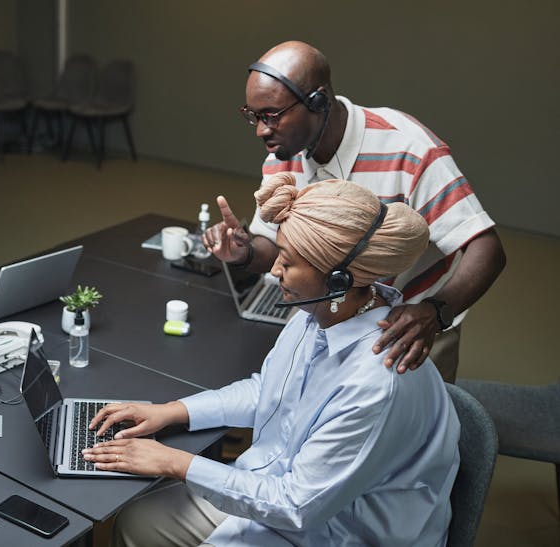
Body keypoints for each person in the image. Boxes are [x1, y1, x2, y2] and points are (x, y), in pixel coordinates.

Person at [85, 173, 459, 547]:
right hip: (280, 490)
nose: (274, 270)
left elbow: (297, 506)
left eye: (289, 262)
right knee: (138, 522)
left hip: (340, 530)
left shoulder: (376, 381)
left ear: (339, 281)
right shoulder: (316, 314)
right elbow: (270, 389)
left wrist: (174, 463)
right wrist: (172, 411)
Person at [204, 40, 505, 382]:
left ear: (318, 101)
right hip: (329, 322)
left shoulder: (407, 148)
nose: (261, 130)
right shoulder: (283, 156)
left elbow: (487, 249)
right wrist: (243, 252)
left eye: (271, 116)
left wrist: (434, 312)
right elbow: (276, 251)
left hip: (408, 331)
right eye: (253, 117)